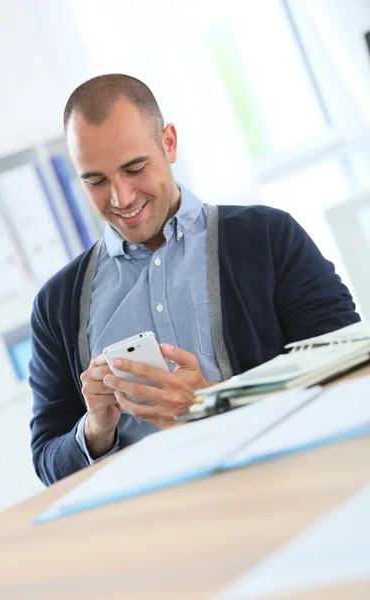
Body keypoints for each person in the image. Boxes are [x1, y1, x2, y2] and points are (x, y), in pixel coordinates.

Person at [29, 74, 360, 486]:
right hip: (156, 525)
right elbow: (47, 459)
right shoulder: (57, 303)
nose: (121, 198)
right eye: (95, 180)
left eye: (134, 168)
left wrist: (211, 401)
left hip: (289, 483)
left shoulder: (269, 236)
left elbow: (349, 376)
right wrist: (96, 429)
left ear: (168, 143)